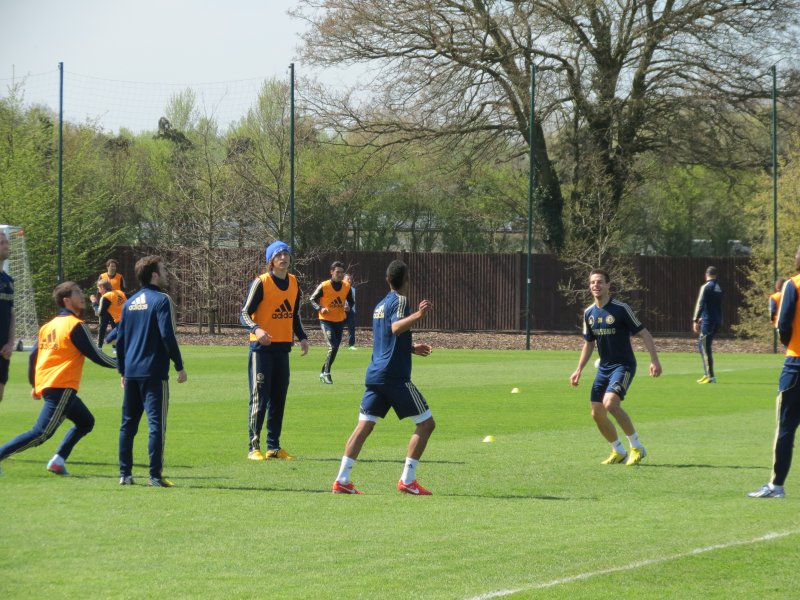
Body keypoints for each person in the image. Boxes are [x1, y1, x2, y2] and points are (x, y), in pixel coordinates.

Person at [332, 259, 436, 495]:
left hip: (375, 373)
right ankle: (408, 480)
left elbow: (384, 339)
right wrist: (419, 314)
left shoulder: (380, 305)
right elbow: (395, 328)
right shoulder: (401, 300)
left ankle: (342, 480)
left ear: (388, 280)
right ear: (407, 279)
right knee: (426, 423)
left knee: (364, 426)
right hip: (394, 377)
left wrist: (411, 348)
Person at [0, 282, 116, 476]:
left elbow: (33, 356)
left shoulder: (48, 326)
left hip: (51, 385)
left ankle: (58, 460)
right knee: (41, 433)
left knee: (86, 422)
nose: (82, 295)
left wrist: (35, 384)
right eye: (77, 292)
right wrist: (125, 364)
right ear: (66, 300)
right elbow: (97, 356)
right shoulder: (75, 325)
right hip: (61, 386)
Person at [569, 269, 662, 466]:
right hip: (604, 368)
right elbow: (589, 343)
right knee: (596, 413)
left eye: (600, 282)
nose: (596, 285)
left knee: (610, 404)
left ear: (608, 285)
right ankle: (618, 451)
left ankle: (637, 447)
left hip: (623, 365)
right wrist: (578, 369)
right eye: (592, 282)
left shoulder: (621, 309)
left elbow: (644, 333)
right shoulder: (589, 313)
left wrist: (654, 360)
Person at [116, 256, 187, 487]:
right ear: (154, 275)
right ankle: (154, 476)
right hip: (154, 373)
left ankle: (125, 474)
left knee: (128, 425)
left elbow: (121, 340)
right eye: (163, 270)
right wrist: (179, 365)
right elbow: (168, 335)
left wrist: (122, 371)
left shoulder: (129, 303)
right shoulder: (162, 300)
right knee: (156, 425)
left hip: (132, 372)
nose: (166, 274)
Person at [239, 241, 309, 461]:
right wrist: (256, 329)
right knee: (260, 398)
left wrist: (302, 337)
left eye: (286, 254)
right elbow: (244, 313)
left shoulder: (294, 282)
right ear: (271, 260)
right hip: (261, 349)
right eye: (278, 255)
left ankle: (274, 447)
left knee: (278, 399)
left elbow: (294, 314)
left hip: (282, 348)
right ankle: (253, 447)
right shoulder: (261, 282)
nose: (283, 258)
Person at [749, 247, 800, 499]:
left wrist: (789, 343)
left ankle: (776, 485)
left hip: (796, 363)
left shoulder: (793, 284)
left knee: (786, 427)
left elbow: (783, 324)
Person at [310, 261, 354, 384]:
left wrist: (348, 307)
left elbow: (351, 301)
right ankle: (327, 374)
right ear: (332, 272)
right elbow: (312, 299)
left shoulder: (346, 286)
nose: (340, 275)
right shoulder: (324, 285)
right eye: (337, 272)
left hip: (339, 321)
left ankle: (323, 372)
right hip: (326, 321)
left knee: (335, 348)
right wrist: (320, 308)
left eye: (342, 272)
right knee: (332, 346)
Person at [692, 266, 723, 384]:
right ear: (716, 275)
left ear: (706, 275)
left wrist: (695, 319)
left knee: (704, 347)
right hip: (716, 320)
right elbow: (713, 306)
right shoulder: (719, 288)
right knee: (704, 346)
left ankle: (710, 376)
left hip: (708, 322)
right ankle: (707, 374)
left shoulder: (706, 287)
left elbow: (700, 304)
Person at [0, 231, 15, 404]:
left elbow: (11, 313)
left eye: (6, 242)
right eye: (1, 243)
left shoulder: (9, 281)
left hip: (3, 349)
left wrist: (10, 343)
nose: (5, 246)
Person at [90, 280, 127, 349]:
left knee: (108, 340)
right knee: (112, 339)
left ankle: (103, 348)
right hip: (129, 320)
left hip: (121, 323)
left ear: (102, 287)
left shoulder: (106, 297)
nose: (98, 290)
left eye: (98, 288)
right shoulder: (120, 292)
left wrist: (94, 302)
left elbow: (98, 313)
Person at [344, 273, 357, 350]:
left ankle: (351, 345)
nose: (349, 280)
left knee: (351, 329)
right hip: (341, 312)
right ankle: (335, 344)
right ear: (343, 280)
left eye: (350, 279)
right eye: (347, 279)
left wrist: (350, 308)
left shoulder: (353, 290)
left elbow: (353, 301)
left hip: (351, 312)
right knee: (337, 328)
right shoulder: (339, 289)